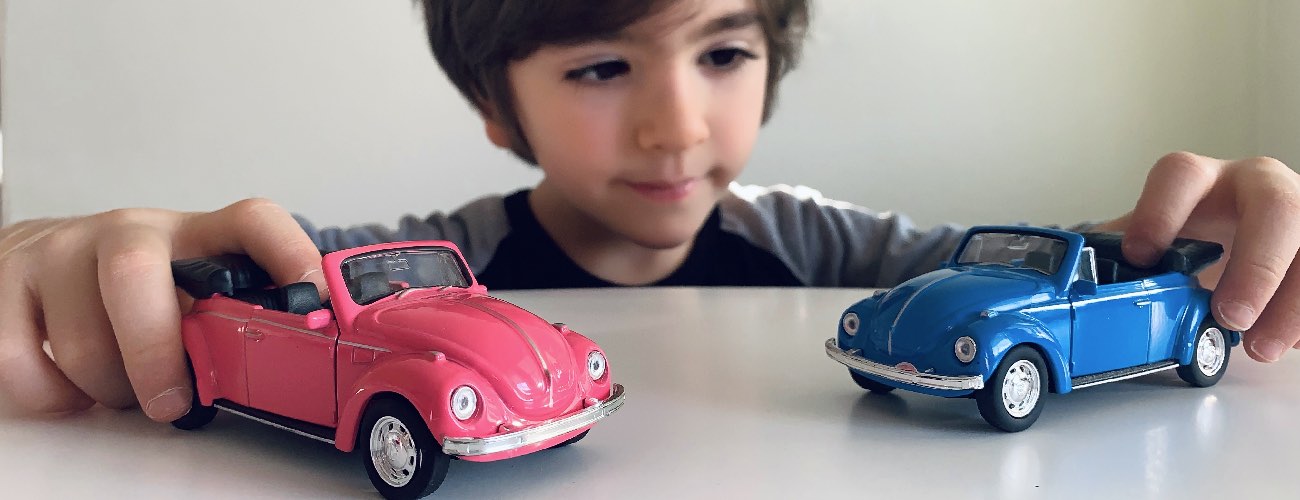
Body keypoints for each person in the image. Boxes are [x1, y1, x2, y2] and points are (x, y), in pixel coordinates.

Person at [1, 0, 1298, 425]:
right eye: (604, 67)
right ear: (496, 107)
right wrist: (55, 263)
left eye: (723, 53)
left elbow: (1019, 274)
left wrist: (1224, 258)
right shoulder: (414, 270)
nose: (678, 126)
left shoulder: (827, 249)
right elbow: (232, 280)